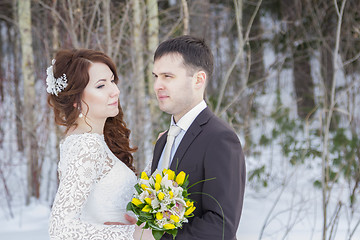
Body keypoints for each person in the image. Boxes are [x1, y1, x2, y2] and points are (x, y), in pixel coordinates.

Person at [47, 49, 153, 240]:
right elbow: (61, 229)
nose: (115, 91)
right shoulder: (87, 145)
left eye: (112, 81)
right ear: (75, 99)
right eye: (101, 86)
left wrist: (158, 157)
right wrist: (136, 234)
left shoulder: (89, 139)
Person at [150, 35, 246, 239]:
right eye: (155, 76)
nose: (158, 85)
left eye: (168, 76)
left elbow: (221, 226)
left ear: (198, 80)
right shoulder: (163, 141)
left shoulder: (220, 139)